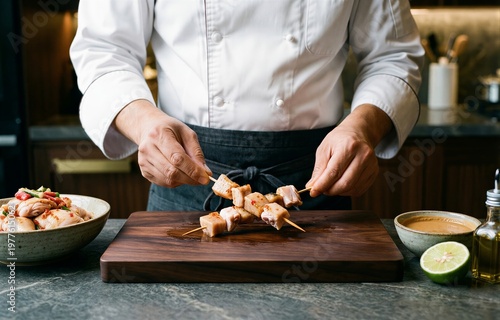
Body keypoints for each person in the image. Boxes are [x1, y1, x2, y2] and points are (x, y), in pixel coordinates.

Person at [70, 1, 423, 212]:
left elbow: (392, 55)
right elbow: (103, 51)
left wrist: (361, 127)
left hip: (316, 183)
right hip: (186, 178)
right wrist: (144, 122)